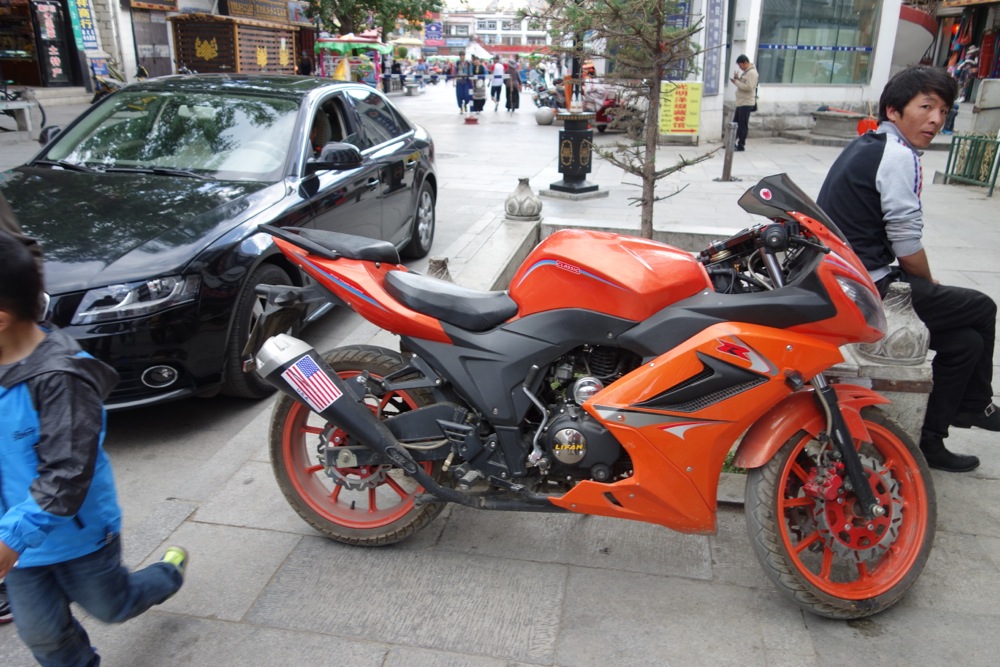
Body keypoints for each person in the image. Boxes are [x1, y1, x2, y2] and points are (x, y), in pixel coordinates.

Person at [0, 230, 189, 665]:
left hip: (77, 535)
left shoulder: (62, 380)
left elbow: (66, 473)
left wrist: (11, 537)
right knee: (42, 635)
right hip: (18, 548)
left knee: (113, 605)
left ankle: (168, 572)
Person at [817, 65, 999, 473]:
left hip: (846, 279)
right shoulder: (897, 155)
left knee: (965, 344)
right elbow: (906, 244)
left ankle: (930, 441)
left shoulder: (869, 144)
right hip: (866, 289)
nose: (936, 120)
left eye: (944, 111)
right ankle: (976, 405)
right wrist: (928, 282)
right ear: (894, 110)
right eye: (926, 107)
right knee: (982, 306)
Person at [730, 54, 758, 152]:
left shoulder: (752, 73)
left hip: (746, 102)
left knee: (742, 125)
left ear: (745, 63)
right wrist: (738, 79)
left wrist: (737, 82)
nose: (740, 67)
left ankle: (741, 145)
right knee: (736, 123)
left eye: (740, 65)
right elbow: (745, 83)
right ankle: (731, 143)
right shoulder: (747, 72)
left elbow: (749, 87)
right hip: (741, 102)